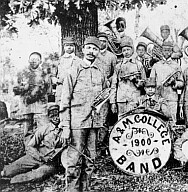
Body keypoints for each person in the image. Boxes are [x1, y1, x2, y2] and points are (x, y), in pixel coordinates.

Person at [59, 36, 107, 192]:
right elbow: (64, 101)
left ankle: (85, 189)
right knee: (74, 160)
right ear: (83, 49)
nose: (92, 51)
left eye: (95, 49)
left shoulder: (100, 71)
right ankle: (72, 189)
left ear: (98, 51)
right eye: (89, 48)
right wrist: (65, 126)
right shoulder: (74, 69)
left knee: (90, 160)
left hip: (94, 123)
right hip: (77, 123)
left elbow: (105, 95)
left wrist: (101, 119)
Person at [0, 104, 64, 184]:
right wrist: (39, 156)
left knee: (39, 175)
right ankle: (3, 174)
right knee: (9, 170)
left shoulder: (65, 131)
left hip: (50, 163)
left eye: (57, 115)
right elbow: (30, 145)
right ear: (49, 117)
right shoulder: (44, 129)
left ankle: (12, 180)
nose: (55, 118)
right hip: (36, 157)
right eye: (52, 116)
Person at [15, 52, 51, 148]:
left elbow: (49, 90)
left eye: (36, 59)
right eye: (32, 59)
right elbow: (15, 89)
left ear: (40, 61)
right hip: (27, 105)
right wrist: (24, 88)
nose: (33, 61)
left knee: (43, 127)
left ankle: (45, 150)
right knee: (27, 129)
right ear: (28, 60)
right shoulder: (22, 73)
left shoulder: (45, 73)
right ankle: (29, 150)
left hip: (40, 105)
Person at [150, 41, 184, 127]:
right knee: (157, 123)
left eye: (169, 50)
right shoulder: (156, 65)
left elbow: (181, 83)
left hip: (172, 98)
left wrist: (174, 83)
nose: (167, 52)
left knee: (172, 122)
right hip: (158, 98)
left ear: (172, 52)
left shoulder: (176, 66)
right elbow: (151, 82)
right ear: (161, 51)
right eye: (165, 50)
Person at [110, 37, 146, 118]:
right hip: (121, 100)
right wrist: (113, 102)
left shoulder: (138, 64)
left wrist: (134, 80)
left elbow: (144, 83)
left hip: (134, 99)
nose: (126, 52)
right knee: (121, 121)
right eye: (124, 50)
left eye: (128, 49)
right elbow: (113, 85)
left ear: (132, 50)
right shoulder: (118, 66)